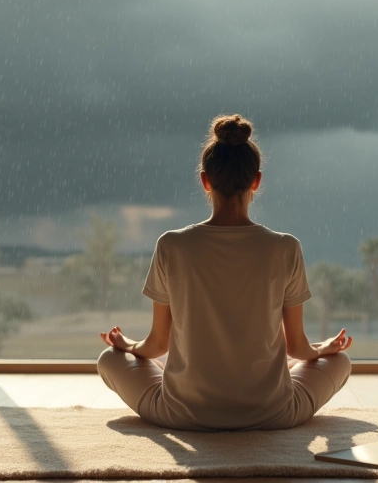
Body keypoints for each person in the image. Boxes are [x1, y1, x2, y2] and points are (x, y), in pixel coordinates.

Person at [97, 114, 353, 431]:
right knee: (340, 361)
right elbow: (297, 348)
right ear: (256, 181)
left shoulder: (172, 245)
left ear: (205, 181)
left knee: (108, 359)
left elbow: (157, 346)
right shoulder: (285, 247)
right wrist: (323, 349)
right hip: (273, 413)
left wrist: (126, 345)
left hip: (183, 414)